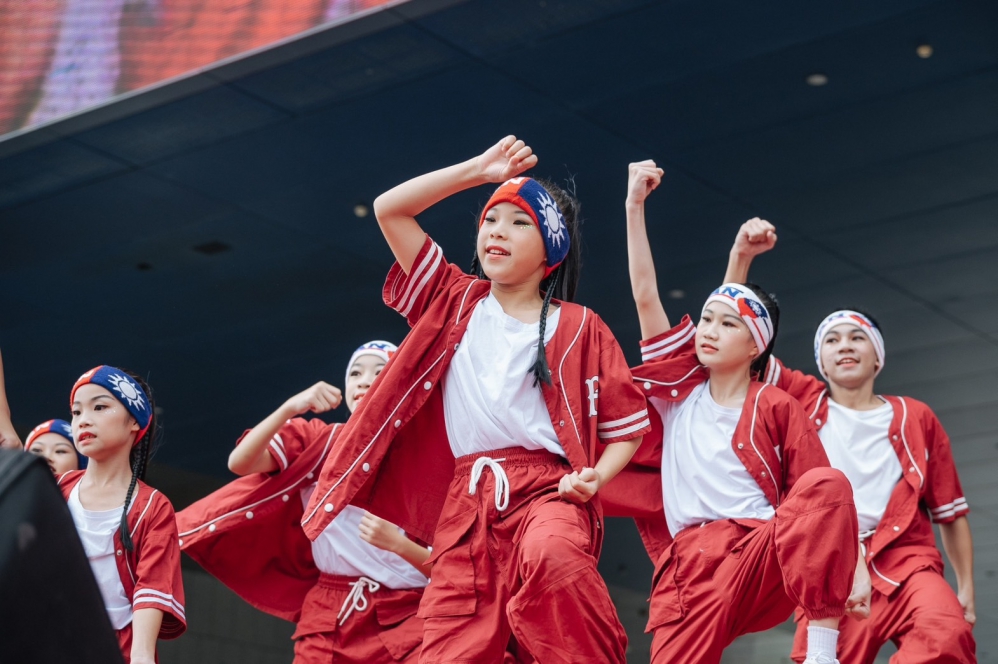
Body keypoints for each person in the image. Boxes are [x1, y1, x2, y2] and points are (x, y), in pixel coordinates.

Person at [300, 136, 651, 664]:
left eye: (519, 222)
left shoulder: (581, 326)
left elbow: (626, 430)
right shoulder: (452, 298)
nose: (497, 231)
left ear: (551, 250)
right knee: (451, 644)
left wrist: (595, 478)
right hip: (465, 505)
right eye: (490, 219)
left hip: (548, 491)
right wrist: (478, 171)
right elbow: (389, 210)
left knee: (554, 558)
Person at [621, 160, 866, 664]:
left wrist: (856, 568)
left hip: (759, 550)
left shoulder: (775, 403)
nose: (708, 331)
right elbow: (645, 294)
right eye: (705, 319)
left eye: (726, 325)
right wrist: (633, 205)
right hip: (688, 566)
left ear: (756, 346)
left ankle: (821, 655)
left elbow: (822, 501)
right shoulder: (676, 392)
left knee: (827, 482)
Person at [723, 217, 977, 663]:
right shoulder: (802, 400)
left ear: (877, 357)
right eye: (832, 340)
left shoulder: (915, 416)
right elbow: (740, 341)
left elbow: (950, 512)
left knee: (946, 634)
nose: (845, 345)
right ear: (820, 361)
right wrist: (740, 258)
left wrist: (966, 588)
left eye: (858, 337)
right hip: (831, 564)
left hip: (907, 562)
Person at [177, 341, 432, 663]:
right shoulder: (320, 441)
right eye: (355, 373)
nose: (364, 381)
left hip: (406, 619)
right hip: (330, 613)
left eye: (380, 372)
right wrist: (290, 407)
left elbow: (454, 567)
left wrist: (398, 545)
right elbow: (240, 462)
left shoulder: (429, 459)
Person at [59, 365, 185, 664]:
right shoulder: (54, 489)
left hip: (117, 650)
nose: (83, 419)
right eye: (76, 412)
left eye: (99, 407)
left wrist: (142, 656)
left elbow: (152, 587)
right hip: (50, 639)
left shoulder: (153, 506)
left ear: (134, 421)